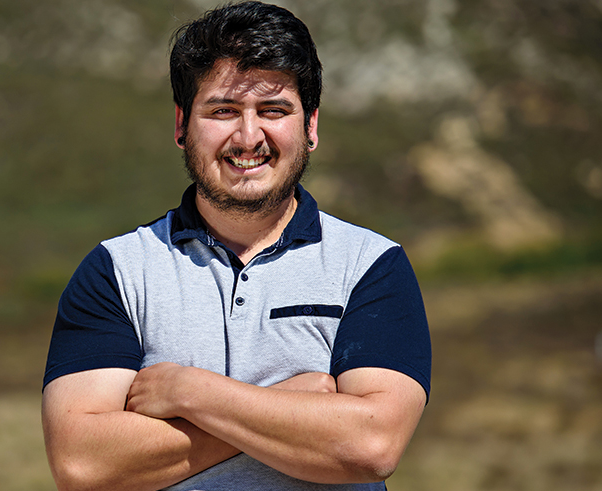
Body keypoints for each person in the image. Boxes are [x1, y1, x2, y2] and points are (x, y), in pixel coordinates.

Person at [40, 2, 432, 490]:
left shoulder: (372, 266)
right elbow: (83, 465)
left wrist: (191, 391)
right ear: (182, 125)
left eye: (273, 110)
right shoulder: (116, 270)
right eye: (223, 110)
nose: (249, 137)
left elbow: (370, 447)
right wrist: (294, 401)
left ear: (310, 126)